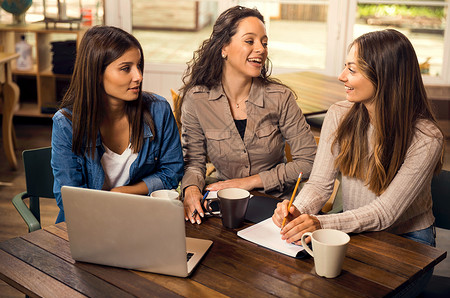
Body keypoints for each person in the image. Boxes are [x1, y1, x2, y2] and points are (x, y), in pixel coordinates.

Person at [273, 29, 444, 247]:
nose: (341, 76)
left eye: (352, 70)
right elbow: (319, 184)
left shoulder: (426, 138)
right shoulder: (338, 114)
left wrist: (319, 223)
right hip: (352, 227)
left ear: (384, 76)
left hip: (405, 238)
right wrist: (299, 210)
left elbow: (386, 213)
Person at [175, 6, 317, 224]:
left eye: (264, 42)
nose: (261, 49)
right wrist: (191, 189)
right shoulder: (197, 99)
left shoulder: (280, 97)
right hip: (227, 205)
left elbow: (308, 161)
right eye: (250, 41)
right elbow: (194, 162)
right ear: (224, 47)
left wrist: (250, 181)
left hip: (277, 207)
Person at [51, 26, 184, 223]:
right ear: (96, 73)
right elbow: (69, 198)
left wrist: (123, 192)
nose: (138, 76)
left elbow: (172, 172)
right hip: (89, 223)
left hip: (144, 219)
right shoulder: (66, 124)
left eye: (139, 66)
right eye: (125, 68)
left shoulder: (158, 110)